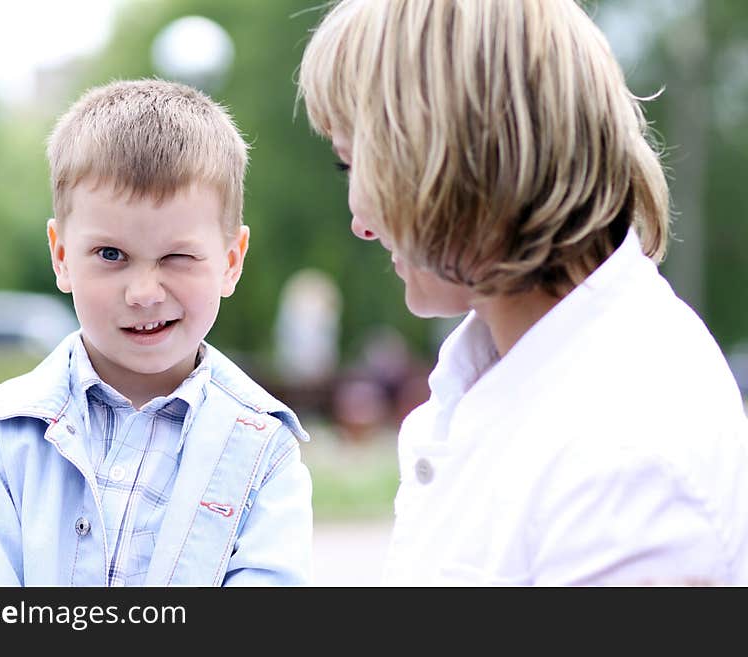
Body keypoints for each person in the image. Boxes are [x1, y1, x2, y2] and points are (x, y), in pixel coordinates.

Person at [298, 0, 748, 585]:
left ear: (461, 158)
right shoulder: (518, 375)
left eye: (358, 165)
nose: (360, 220)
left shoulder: (625, 459)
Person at [0, 79, 313, 586]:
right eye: (111, 255)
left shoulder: (265, 453)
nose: (144, 292)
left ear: (231, 260)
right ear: (62, 256)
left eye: (177, 256)